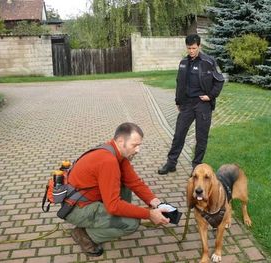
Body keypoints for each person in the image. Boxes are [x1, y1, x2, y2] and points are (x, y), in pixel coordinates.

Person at [65, 122, 170, 256]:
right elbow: (113, 206)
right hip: (76, 209)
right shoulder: (108, 161)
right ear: (121, 141)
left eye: (139, 145)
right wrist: (148, 214)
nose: (138, 150)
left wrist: (157, 203)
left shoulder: (116, 152)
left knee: (125, 184)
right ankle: (84, 234)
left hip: (85, 201)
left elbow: (135, 182)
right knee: (132, 223)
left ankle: (106, 221)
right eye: (135, 145)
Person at [158, 34, 225, 175]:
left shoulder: (209, 61)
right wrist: (178, 100)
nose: (191, 51)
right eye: (189, 48)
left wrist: (210, 96)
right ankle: (171, 163)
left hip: (202, 104)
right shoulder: (183, 63)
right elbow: (179, 83)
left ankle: (196, 166)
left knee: (201, 137)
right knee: (179, 134)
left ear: (199, 46)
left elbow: (220, 80)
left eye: (194, 48)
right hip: (187, 104)